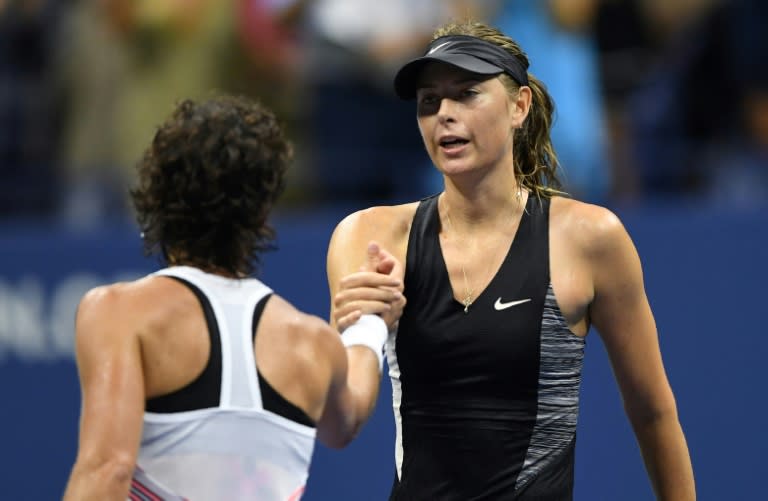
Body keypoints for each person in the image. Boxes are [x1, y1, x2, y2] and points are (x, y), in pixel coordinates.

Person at [327, 21, 696, 500]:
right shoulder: (369, 237)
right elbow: (343, 417)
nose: (445, 114)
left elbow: (652, 411)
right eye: (429, 101)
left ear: (519, 106)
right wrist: (356, 332)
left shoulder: (590, 238)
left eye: (466, 94)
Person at [63, 95, 404, 500]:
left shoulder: (117, 313)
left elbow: (107, 470)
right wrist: (369, 323)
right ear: (261, 212)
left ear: (156, 196)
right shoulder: (312, 344)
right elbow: (345, 421)